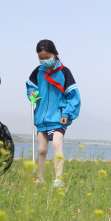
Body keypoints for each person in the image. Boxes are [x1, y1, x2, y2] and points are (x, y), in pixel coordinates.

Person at [26, 39, 81, 187]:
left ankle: (58, 179)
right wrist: (31, 93)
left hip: (58, 117)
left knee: (57, 145)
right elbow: (30, 87)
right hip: (41, 117)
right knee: (42, 150)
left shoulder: (64, 72)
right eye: (41, 58)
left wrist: (67, 113)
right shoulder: (38, 71)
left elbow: (73, 95)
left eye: (47, 57)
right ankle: (40, 178)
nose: (44, 61)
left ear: (55, 54)